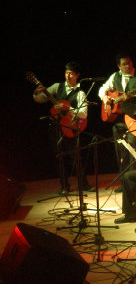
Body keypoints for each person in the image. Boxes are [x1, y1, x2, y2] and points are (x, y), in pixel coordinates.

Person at [32, 61, 94, 194]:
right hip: (56, 128)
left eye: (71, 73)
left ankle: (84, 184)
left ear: (77, 75)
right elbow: (40, 99)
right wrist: (36, 93)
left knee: (75, 157)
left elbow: (83, 114)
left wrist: (69, 108)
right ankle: (64, 186)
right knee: (59, 158)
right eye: (66, 73)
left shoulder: (80, 93)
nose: (68, 76)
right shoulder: (56, 87)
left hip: (70, 128)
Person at [98, 53, 136, 173]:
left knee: (133, 149)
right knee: (120, 150)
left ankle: (134, 178)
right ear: (119, 66)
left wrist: (127, 98)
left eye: (129, 62)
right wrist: (105, 98)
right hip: (118, 119)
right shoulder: (115, 76)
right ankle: (124, 181)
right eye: (124, 64)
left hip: (133, 118)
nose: (128, 66)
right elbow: (102, 89)